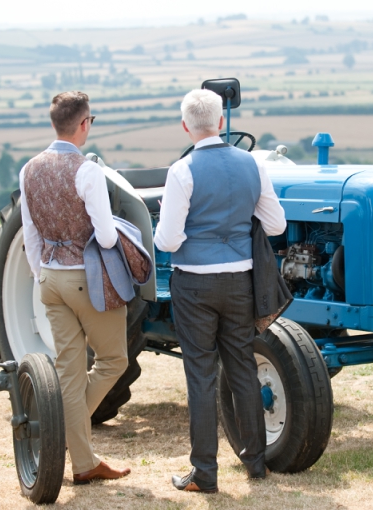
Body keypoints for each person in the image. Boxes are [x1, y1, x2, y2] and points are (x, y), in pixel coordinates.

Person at [154, 89, 287, 494]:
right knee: (243, 369)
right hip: (240, 281)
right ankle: (255, 464)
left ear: (185, 126)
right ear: (222, 122)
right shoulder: (251, 164)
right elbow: (277, 224)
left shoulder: (182, 171)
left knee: (201, 376)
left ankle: (205, 474)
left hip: (194, 283)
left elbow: (168, 241)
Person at [19, 91, 131, 485]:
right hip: (86, 280)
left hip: (49, 279)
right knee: (114, 360)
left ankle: (83, 462)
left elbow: (30, 233)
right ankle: (70, 440)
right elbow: (104, 235)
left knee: (69, 372)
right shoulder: (87, 171)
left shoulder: (28, 169)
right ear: (84, 124)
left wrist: (42, 275)